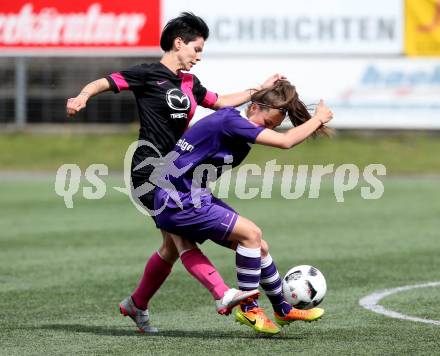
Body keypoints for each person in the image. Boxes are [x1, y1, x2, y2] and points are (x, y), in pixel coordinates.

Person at [66, 12, 284, 333]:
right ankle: (222, 294)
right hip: (149, 169)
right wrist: (82, 96)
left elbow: (221, 101)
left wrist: (257, 91)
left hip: (178, 171)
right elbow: (105, 82)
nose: (198, 57)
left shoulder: (189, 83)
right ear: (178, 43)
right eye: (196, 49)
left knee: (170, 247)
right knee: (181, 241)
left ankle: (136, 305)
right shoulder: (147, 74)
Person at [153, 81, 333, 335]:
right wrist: (318, 119)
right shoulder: (232, 121)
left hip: (189, 194)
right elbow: (285, 142)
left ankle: (282, 309)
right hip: (177, 198)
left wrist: (271, 87)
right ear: (255, 107)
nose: (266, 128)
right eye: (267, 122)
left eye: (272, 125)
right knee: (251, 235)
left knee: (259, 247)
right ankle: (249, 308)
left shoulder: (237, 121)